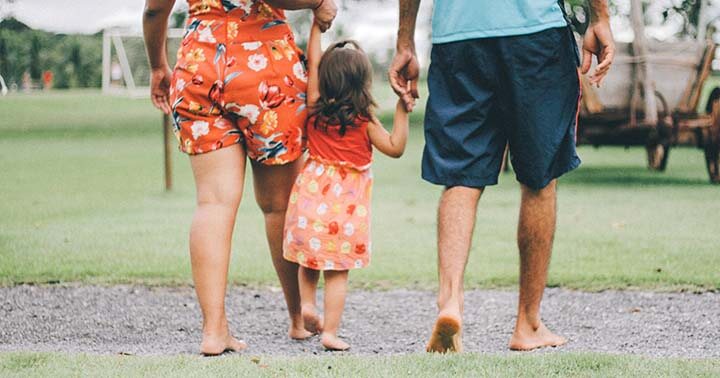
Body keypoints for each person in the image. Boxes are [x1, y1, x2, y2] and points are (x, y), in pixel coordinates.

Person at [389, 0, 615, 352]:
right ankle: (528, 324)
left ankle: (450, 302)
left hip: (458, 36)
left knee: (461, 176)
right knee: (540, 180)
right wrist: (599, 17)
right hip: (535, 33)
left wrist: (405, 41)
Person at [143, 0, 337, 356]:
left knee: (212, 202)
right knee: (279, 205)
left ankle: (214, 330)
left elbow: (155, 10)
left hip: (199, 64)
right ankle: (297, 318)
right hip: (265, 65)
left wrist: (158, 65)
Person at [282, 22, 411, 351]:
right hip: (346, 211)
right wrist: (402, 108)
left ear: (324, 78)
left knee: (309, 260)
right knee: (337, 271)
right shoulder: (364, 120)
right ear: (362, 83)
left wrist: (316, 26)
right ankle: (330, 332)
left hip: (310, 201)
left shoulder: (314, 108)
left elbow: (313, 59)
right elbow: (396, 147)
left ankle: (307, 305)